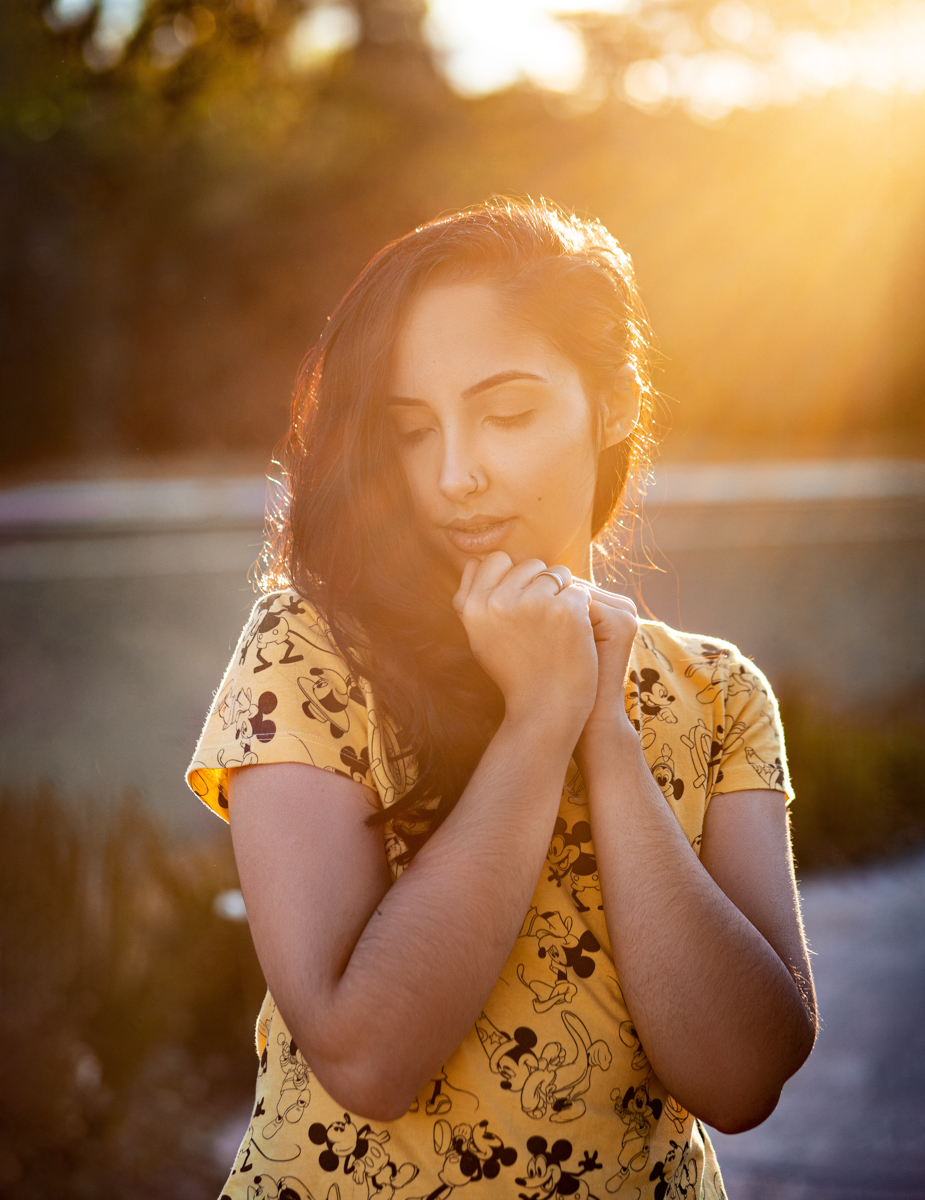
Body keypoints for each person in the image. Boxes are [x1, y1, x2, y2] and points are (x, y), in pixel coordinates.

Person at [188, 198, 816, 1200]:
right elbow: (365, 1060)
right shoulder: (308, 655)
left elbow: (742, 1080)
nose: (454, 476)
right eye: (409, 431)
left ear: (611, 403)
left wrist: (599, 725)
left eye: (507, 413)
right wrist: (534, 726)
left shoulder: (720, 694)